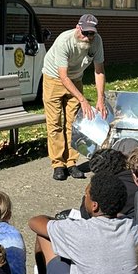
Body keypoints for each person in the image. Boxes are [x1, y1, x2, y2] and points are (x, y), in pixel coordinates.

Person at [29, 171, 138, 274]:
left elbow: (34, 222)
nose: (84, 197)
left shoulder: (80, 231)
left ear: (94, 205)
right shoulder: (132, 228)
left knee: (45, 237)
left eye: (86, 194)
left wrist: (54, 220)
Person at [41, 12, 106, 181]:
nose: (88, 37)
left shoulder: (96, 41)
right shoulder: (65, 41)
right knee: (55, 123)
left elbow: (99, 71)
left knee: (74, 123)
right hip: (54, 78)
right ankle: (58, 164)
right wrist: (82, 99)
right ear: (78, 28)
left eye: (91, 33)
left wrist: (100, 98)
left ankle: (71, 163)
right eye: (85, 32)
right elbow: (63, 76)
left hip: (76, 79)